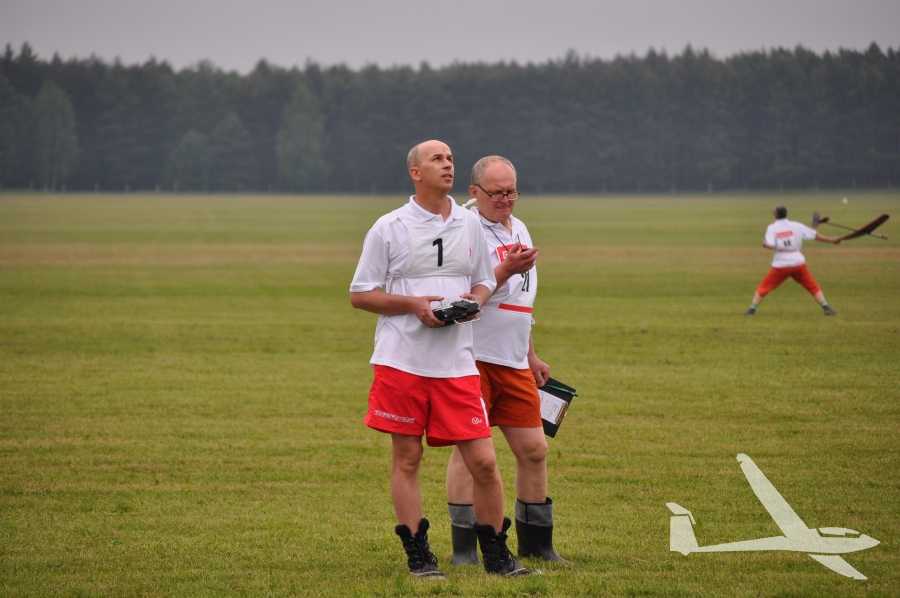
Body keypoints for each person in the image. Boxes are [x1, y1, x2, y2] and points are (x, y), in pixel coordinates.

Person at [349, 140, 533, 579]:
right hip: (402, 361)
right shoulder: (389, 226)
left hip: (458, 363)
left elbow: (485, 281)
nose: (447, 165)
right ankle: (420, 556)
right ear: (415, 172)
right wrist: (413, 305)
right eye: (437, 159)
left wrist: (473, 302)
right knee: (408, 459)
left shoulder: (469, 224)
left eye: (450, 158)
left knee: (484, 462)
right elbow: (360, 295)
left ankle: (497, 555)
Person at [445, 156, 565, 566]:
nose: (505, 199)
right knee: (470, 455)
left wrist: (530, 354)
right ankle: (465, 550)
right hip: (473, 358)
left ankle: (537, 544)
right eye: (496, 192)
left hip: (513, 360)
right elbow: (464, 297)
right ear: (474, 191)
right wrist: (505, 269)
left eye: (512, 191)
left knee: (534, 450)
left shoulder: (520, 227)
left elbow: (522, 300)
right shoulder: (464, 229)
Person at [744, 205, 841, 316]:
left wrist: (764, 244)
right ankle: (826, 307)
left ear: (774, 214)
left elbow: (770, 246)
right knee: (813, 286)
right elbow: (815, 236)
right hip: (798, 263)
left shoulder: (772, 228)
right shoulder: (797, 225)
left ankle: (751, 310)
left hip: (781, 265)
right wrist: (832, 240)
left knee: (763, 287)